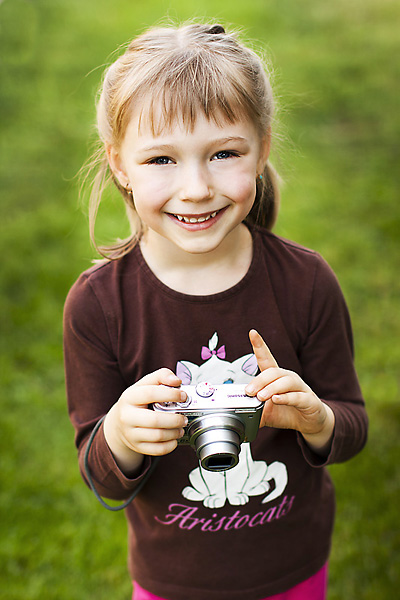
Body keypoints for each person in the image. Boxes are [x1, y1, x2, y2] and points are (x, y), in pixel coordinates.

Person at [63, 22, 368, 600]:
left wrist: (315, 418)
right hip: (171, 582)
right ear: (120, 164)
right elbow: (100, 474)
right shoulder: (98, 306)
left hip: (292, 569)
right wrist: (123, 434)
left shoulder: (304, 284)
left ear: (263, 149)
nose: (197, 188)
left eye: (224, 153)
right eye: (161, 160)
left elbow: (351, 427)